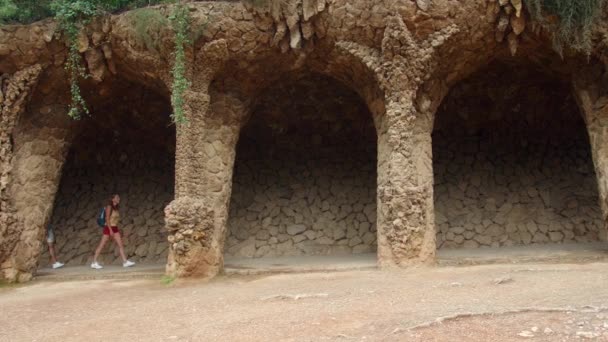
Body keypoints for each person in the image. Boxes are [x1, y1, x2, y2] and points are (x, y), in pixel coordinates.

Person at [91, 194, 135, 269]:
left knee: (120, 244)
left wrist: (114, 229)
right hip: (108, 228)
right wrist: (110, 230)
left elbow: (115, 220)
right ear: (112, 199)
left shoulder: (116, 208)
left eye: (119, 197)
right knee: (102, 245)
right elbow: (107, 219)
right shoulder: (109, 207)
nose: (119, 199)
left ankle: (125, 262)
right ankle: (94, 262)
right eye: (117, 197)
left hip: (115, 228)